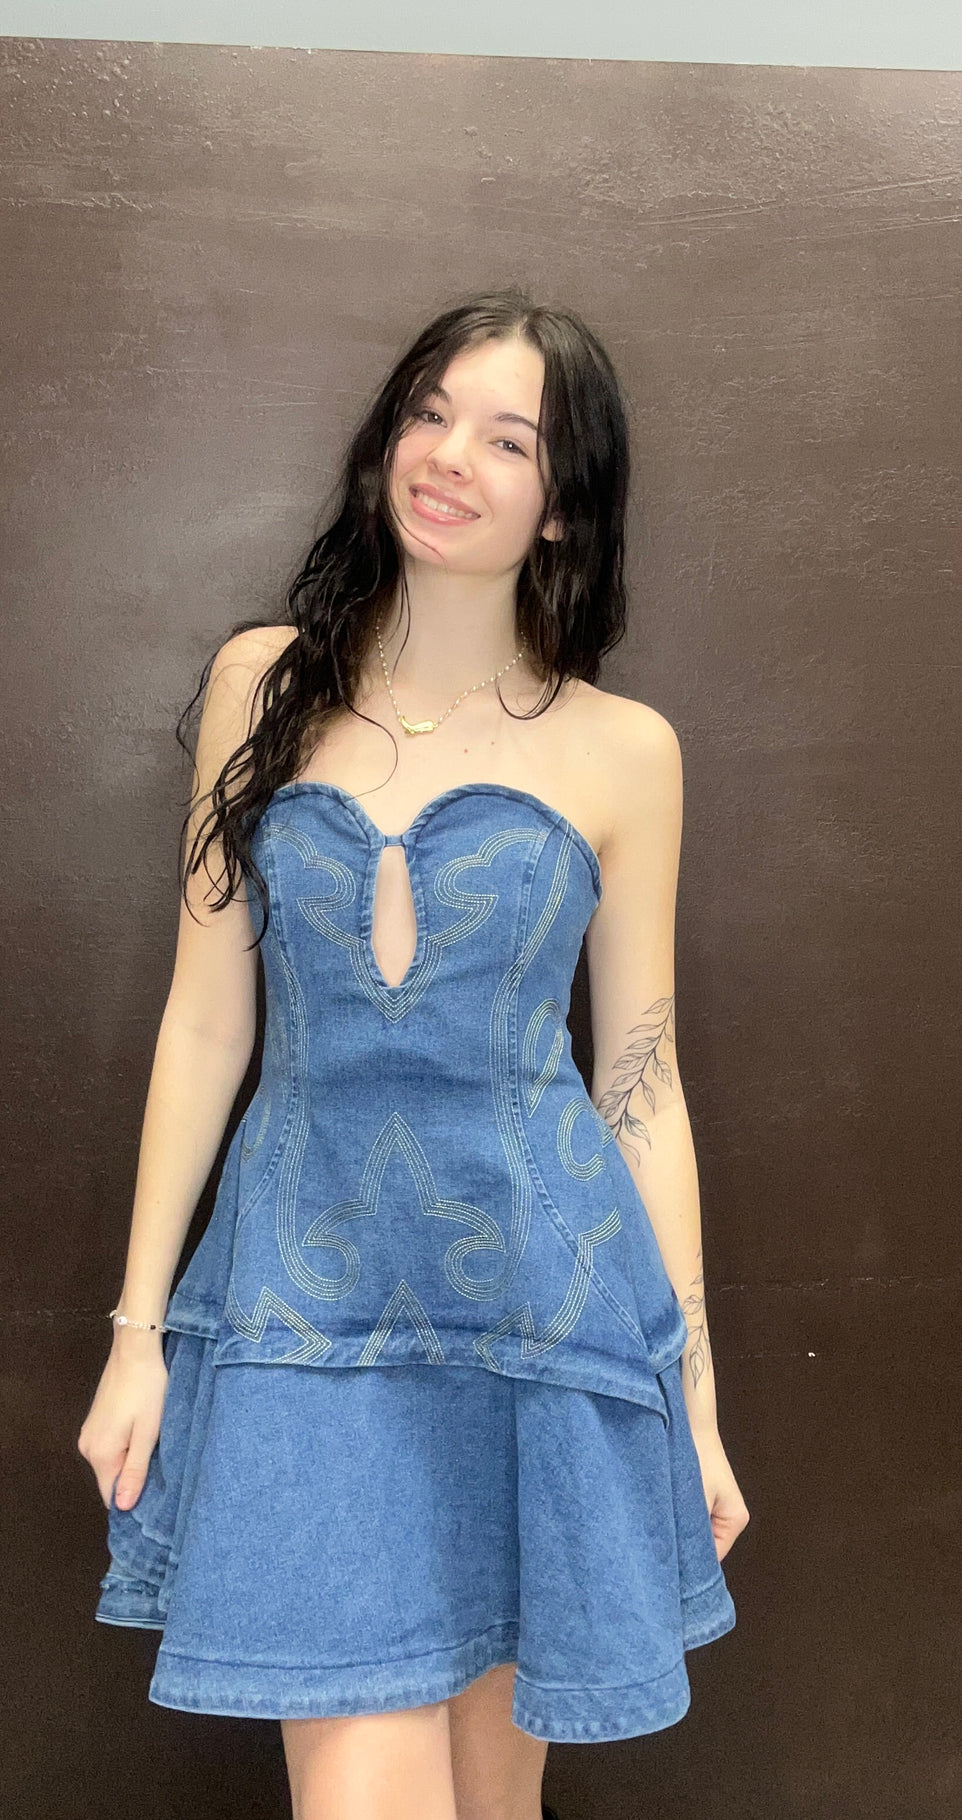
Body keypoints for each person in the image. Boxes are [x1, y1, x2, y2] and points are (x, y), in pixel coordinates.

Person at [78, 287, 749, 1820]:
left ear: (565, 505)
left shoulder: (624, 749)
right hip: (303, 1307)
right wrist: (136, 1332)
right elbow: (207, 1020)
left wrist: (693, 1400)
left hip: (539, 1314)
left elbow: (638, 1089)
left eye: (507, 438)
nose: (448, 455)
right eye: (429, 413)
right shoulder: (265, 684)